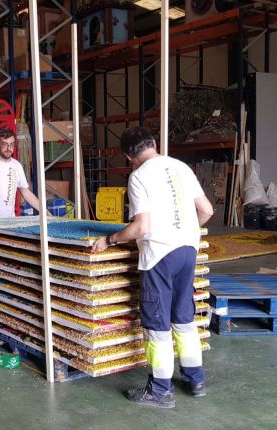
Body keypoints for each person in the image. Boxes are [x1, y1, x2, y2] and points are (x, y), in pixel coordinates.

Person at [91, 127, 214, 409]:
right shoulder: (181, 167)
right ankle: (196, 379)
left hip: (159, 256)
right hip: (187, 251)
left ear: (128, 156)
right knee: (183, 318)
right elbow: (206, 211)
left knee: (157, 326)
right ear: (154, 144)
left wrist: (109, 240)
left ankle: (160, 390)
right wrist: (183, 232)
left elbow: (140, 227)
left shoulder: (139, 176)